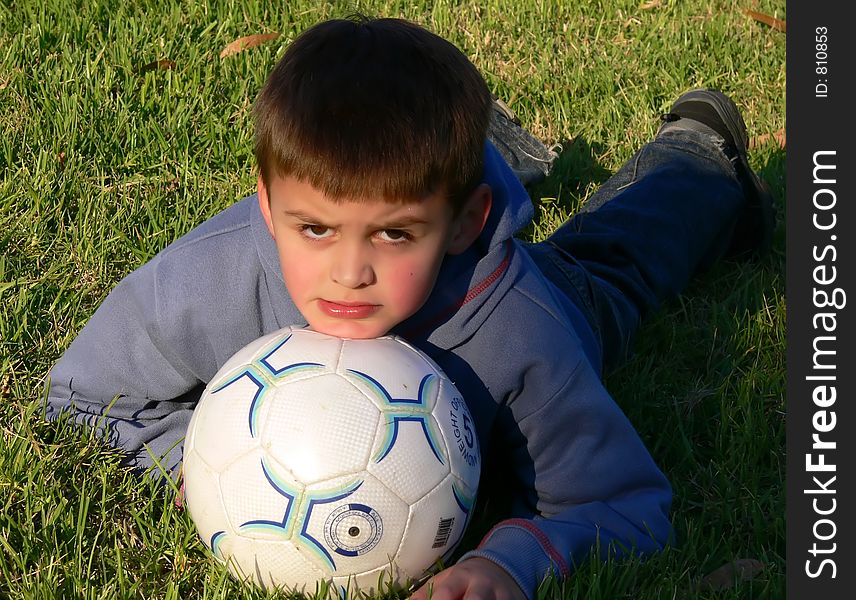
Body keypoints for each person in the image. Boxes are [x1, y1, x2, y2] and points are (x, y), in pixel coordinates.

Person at [44, 14, 774, 600]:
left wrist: (513, 561)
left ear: (462, 223)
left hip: (563, 295)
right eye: (315, 228)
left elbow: (621, 502)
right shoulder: (211, 276)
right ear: (267, 207)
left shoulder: (520, 330)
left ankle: (697, 158)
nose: (349, 271)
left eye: (395, 232)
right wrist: (195, 463)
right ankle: (489, 146)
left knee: (616, 266)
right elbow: (85, 391)